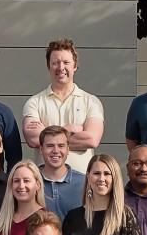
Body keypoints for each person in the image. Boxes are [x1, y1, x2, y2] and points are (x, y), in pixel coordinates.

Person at [22, 37, 105, 173]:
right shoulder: (34, 102)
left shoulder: (91, 101)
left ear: (75, 65)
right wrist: (70, 129)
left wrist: (46, 133)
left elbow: (92, 139)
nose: (61, 68)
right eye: (55, 63)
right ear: (48, 66)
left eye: (66, 62)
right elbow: (33, 139)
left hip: (82, 185)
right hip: (44, 185)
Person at [38, 126, 86, 221]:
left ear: (68, 149)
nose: (56, 151)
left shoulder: (84, 182)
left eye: (61, 146)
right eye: (50, 146)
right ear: (41, 149)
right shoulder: (29, 181)